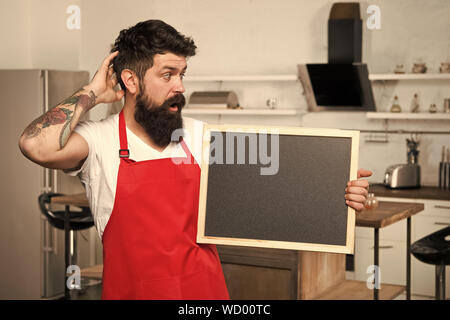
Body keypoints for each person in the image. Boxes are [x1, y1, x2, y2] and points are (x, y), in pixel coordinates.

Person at [19, 19, 372, 300]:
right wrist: (94, 92)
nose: (180, 87)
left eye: (182, 74)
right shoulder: (99, 140)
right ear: (131, 80)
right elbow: (35, 145)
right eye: (168, 75)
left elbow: (280, 187)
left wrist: (340, 193)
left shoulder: (201, 136)